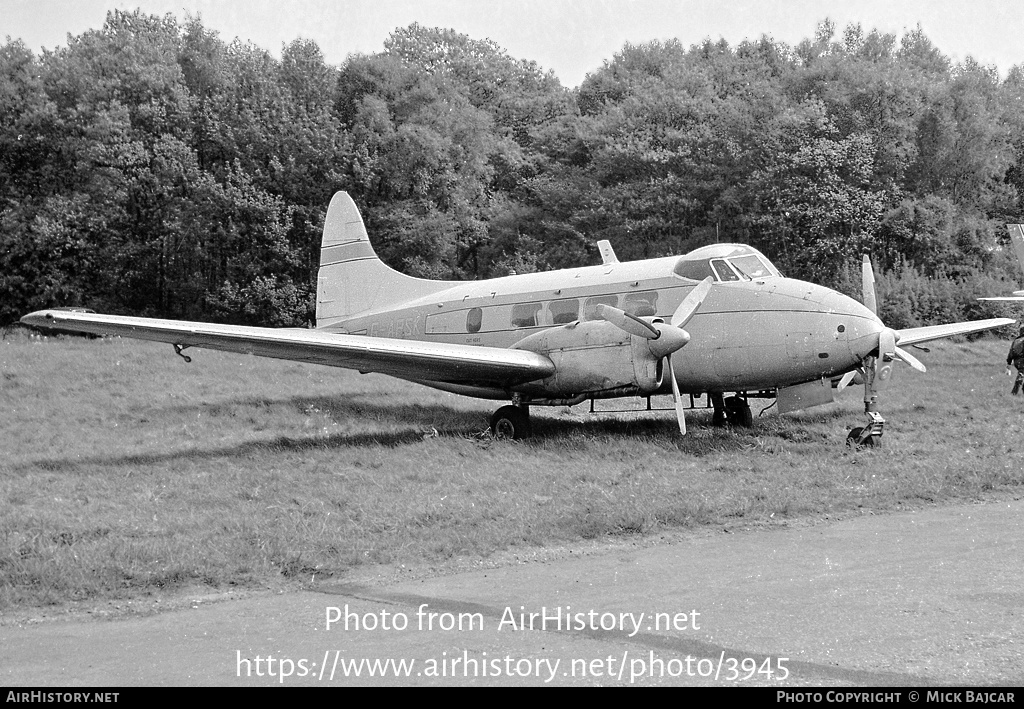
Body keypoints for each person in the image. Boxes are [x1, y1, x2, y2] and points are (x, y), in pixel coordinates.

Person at [1006, 326, 1024, 395]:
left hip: (1016, 362)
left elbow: (1011, 353)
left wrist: (1009, 363)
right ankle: (1014, 393)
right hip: (1022, 360)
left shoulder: (1016, 340)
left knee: (1021, 373)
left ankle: (1014, 393)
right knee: (1021, 374)